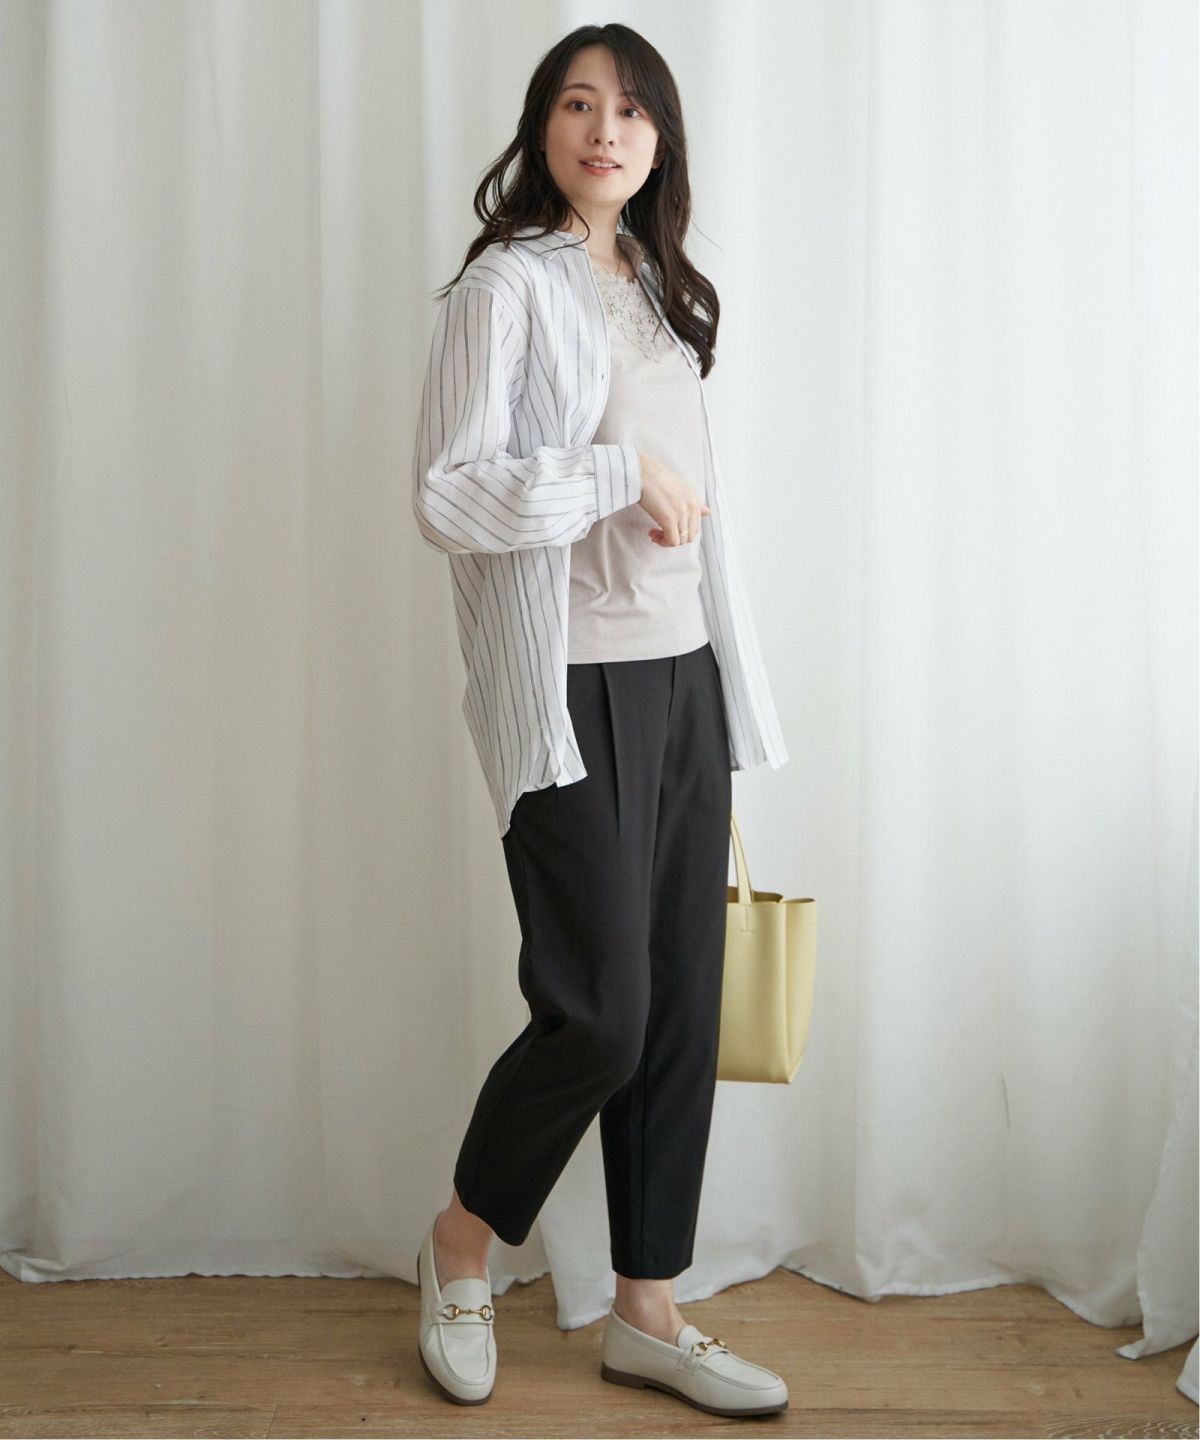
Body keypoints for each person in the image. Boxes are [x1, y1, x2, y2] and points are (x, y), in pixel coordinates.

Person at [411, 21, 790, 1417]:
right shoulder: (506, 287)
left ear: (659, 139)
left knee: (680, 1004)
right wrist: (612, 471)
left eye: (631, 111)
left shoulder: (662, 288)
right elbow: (445, 494)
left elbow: (697, 503)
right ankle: (462, 1240)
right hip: (570, 683)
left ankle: (647, 1308)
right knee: (600, 1014)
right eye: (577, 105)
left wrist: (729, 686)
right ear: (543, 128)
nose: (604, 131)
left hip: (685, 676)